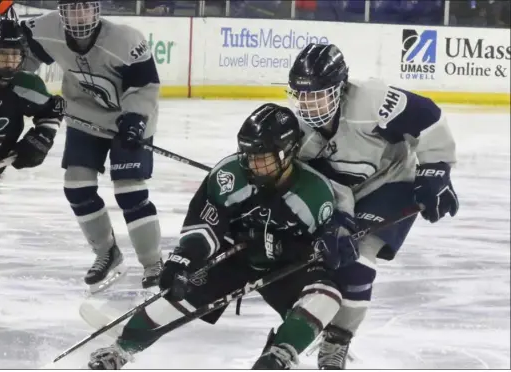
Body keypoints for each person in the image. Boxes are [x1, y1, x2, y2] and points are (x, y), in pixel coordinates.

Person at [85, 103, 359, 370]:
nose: (252, 164)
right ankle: (121, 349)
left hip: (284, 264)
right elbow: (204, 226)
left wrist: (333, 243)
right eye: (248, 155)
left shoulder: (315, 193)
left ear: (288, 153)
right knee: (178, 289)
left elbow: (328, 245)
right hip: (233, 256)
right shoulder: (229, 175)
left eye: (261, 158)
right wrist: (183, 260)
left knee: (328, 294)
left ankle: (277, 357)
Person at [287, 43, 459, 369]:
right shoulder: (302, 136)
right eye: (302, 95)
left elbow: (428, 116)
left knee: (356, 261)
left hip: (392, 181)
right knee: (324, 259)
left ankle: (337, 340)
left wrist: (435, 168)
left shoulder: (371, 101)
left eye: (317, 95)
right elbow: (320, 186)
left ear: (339, 89)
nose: (308, 104)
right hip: (347, 192)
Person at [19, 0, 163, 292]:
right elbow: (24, 61)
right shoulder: (47, 29)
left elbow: (145, 85)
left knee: (130, 190)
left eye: (85, 8)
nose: (80, 15)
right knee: (77, 186)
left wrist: (135, 119)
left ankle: (153, 264)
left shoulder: (125, 40)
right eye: (72, 9)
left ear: (96, 9)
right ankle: (106, 253)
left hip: (130, 120)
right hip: (85, 116)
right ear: (62, 12)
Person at [0, 17, 64, 229]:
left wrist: (42, 138)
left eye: (13, 56)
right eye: (1, 55)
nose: (8, 62)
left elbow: (53, 110)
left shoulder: (28, 86)